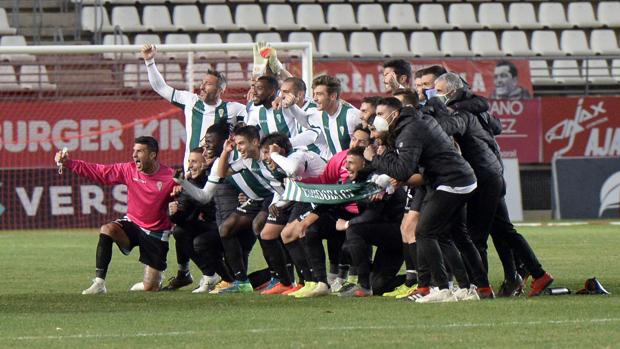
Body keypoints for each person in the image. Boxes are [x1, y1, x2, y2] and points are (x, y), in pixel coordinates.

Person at [436, 72, 553, 297]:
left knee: (476, 235)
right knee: (503, 230)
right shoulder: (476, 109)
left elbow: (449, 128)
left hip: (482, 176)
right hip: (492, 171)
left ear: (450, 92)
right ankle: (539, 274)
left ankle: (480, 287)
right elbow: (495, 126)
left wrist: (437, 110)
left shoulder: (460, 112)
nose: (434, 95)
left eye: (438, 91)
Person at [364, 103, 479, 303]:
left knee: (425, 232)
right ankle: (466, 287)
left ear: (395, 113)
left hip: (450, 181)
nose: (378, 119)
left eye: (381, 113)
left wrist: (374, 159)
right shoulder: (411, 124)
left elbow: (403, 171)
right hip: (455, 178)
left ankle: (443, 288)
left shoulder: (410, 130)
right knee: (443, 236)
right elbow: (405, 166)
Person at [55, 136, 176, 294]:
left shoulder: (171, 177)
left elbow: (187, 201)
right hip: (132, 223)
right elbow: (100, 172)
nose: (134, 155)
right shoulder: (128, 169)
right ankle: (99, 283)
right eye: (134, 151)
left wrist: (178, 205)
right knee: (107, 229)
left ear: (152, 155)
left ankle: (152, 281)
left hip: (157, 233)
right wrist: (69, 163)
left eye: (139, 151)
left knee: (151, 288)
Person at [291, 125, 372, 297]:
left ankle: (360, 280)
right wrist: (307, 219)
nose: (355, 143)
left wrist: (350, 223)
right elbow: (328, 190)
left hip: (368, 217)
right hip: (340, 211)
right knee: (311, 229)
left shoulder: (376, 170)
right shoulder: (340, 158)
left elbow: (375, 210)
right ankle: (322, 282)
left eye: (362, 141)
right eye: (354, 139)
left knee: (354, 236)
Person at [141, 44, 247, 170]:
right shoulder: (190, 101)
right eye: (202, 83)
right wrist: (149, 61)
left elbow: (256, 116)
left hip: (219, 171)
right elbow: (161, 88)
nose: (201, 87)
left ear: (220, 90)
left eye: (207, 84)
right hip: (191, 170)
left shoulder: (233, 109)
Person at [337, 147, 407, 297]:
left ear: (364, 164)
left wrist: (347, 224)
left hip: (398, 235)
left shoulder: (377, 180)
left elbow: (372, 216)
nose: (346, 167)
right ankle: (420, 279)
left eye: (351, 163)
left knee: (354, 231)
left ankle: (363, 285)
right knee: (379, 286)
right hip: (385, 235)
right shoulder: (358, 181)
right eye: (346, 162)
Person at [285, 75, 361, 158]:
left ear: (333, 96)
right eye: (314, 94)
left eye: (319, 94)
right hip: (336, 166)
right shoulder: (321, 114)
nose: (314, 99)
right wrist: (292, 106)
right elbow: (305, 121)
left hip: (353, 167)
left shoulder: (351, 116)